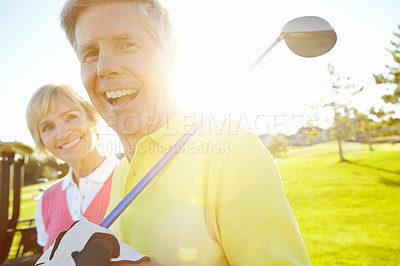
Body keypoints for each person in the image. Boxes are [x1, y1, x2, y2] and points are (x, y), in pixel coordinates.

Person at [38, 0, 311, 264]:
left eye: (126, 45)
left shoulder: (232, 152)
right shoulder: (122, 171)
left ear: (172, 59)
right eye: (90, 53)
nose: (104, 67)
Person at [26, 84, 119, 251]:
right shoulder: (46, 201)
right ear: (41, 139)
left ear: (90, 117)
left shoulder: (131, 181)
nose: (62, 134)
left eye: (70, 117)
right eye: (48, 127)